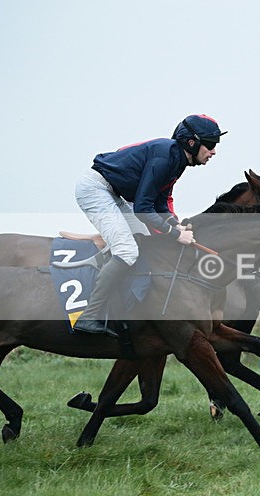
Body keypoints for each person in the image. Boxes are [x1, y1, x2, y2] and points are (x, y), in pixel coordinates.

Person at [73, 114, 226, 337]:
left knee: (145, 240)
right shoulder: (165, 158)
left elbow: (160, 201)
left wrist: (176, 225)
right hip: (95, 190)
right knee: (126, 249)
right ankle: (89, 316)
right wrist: (175, 234)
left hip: (114, 193)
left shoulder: (178, 160)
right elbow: (143, 209)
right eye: (210, 145)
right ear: (192, 143)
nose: (213, 152)